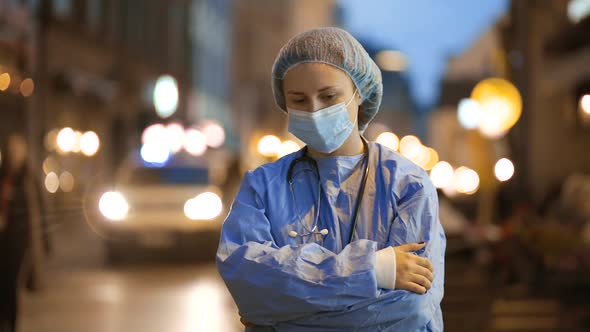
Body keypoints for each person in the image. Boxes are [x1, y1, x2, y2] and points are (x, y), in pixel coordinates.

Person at [217, 27, 446, 331]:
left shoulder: (407, 185)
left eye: (328, 96)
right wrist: (372, 270)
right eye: (298, 99)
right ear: (284, 102)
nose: (314, 110)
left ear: (359, 94)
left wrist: (281, 319)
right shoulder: (261, 187)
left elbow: (411, 310)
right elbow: (248, 283)